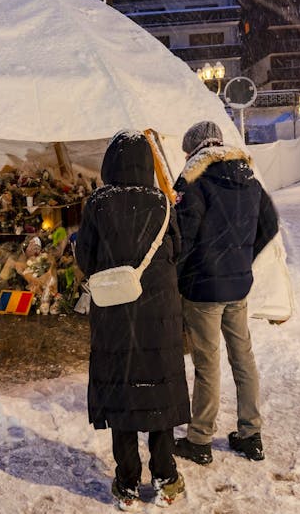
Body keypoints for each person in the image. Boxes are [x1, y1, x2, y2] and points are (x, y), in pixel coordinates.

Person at [76, 130, 189, 511]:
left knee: (122, 390)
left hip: (114, 312)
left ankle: (126, 482)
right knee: (158, 388)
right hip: (159, 315)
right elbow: (178, 250)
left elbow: (86, 258)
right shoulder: (163, 202)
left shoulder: (98, 203)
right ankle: (165, 476)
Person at [171, 121, 278, 465]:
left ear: (194, 150)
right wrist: (242, 255)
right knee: (243, 357)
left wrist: (177, 276)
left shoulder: (193, 181)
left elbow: (182, 238)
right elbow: (270, 224)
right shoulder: (248, 177)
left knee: (207, 363)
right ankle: (251, 434)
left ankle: (200, 440)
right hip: (237, 285)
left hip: (202, 288)